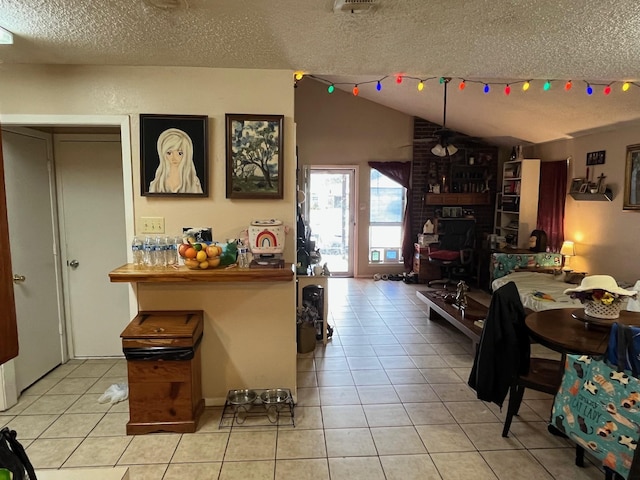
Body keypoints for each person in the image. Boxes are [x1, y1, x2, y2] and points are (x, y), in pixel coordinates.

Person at [148, 128, 203, 194]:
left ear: (187, 154)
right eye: (169, 153)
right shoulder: (157, 183)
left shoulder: (193, 181)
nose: (174, 158)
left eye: (180, 153)